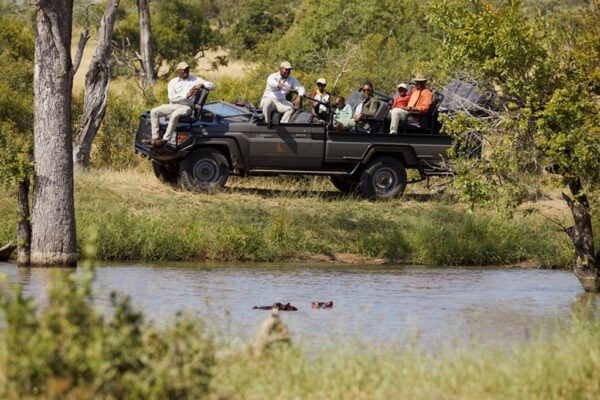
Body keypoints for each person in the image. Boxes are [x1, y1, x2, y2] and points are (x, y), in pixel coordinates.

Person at [144, 61, 216, 147]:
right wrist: (186, 95)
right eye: (183, 70)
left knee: (175, 115)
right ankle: (155, 139)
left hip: (186, 107)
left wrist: (202, 84)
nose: (186, 71)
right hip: (173, 105)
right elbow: (172, 98)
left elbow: (212, 86)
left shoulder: (195, 80)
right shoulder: (172, 82)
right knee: (154, 112)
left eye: (187, 69)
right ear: (178, 71)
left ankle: (165, 140)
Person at [260, 61, 305, 125]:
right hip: (269, 99)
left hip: (280, 101)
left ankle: (283, 125)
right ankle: (267, 123)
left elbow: (301, 88)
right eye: (286, 69)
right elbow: (271, 82)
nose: (288, 71)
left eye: (289, 70)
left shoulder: (291, 79)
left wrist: (299, 97)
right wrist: (278, 85)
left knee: (290, 108)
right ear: (280, 68)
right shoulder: (273, 76)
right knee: (267, 105)